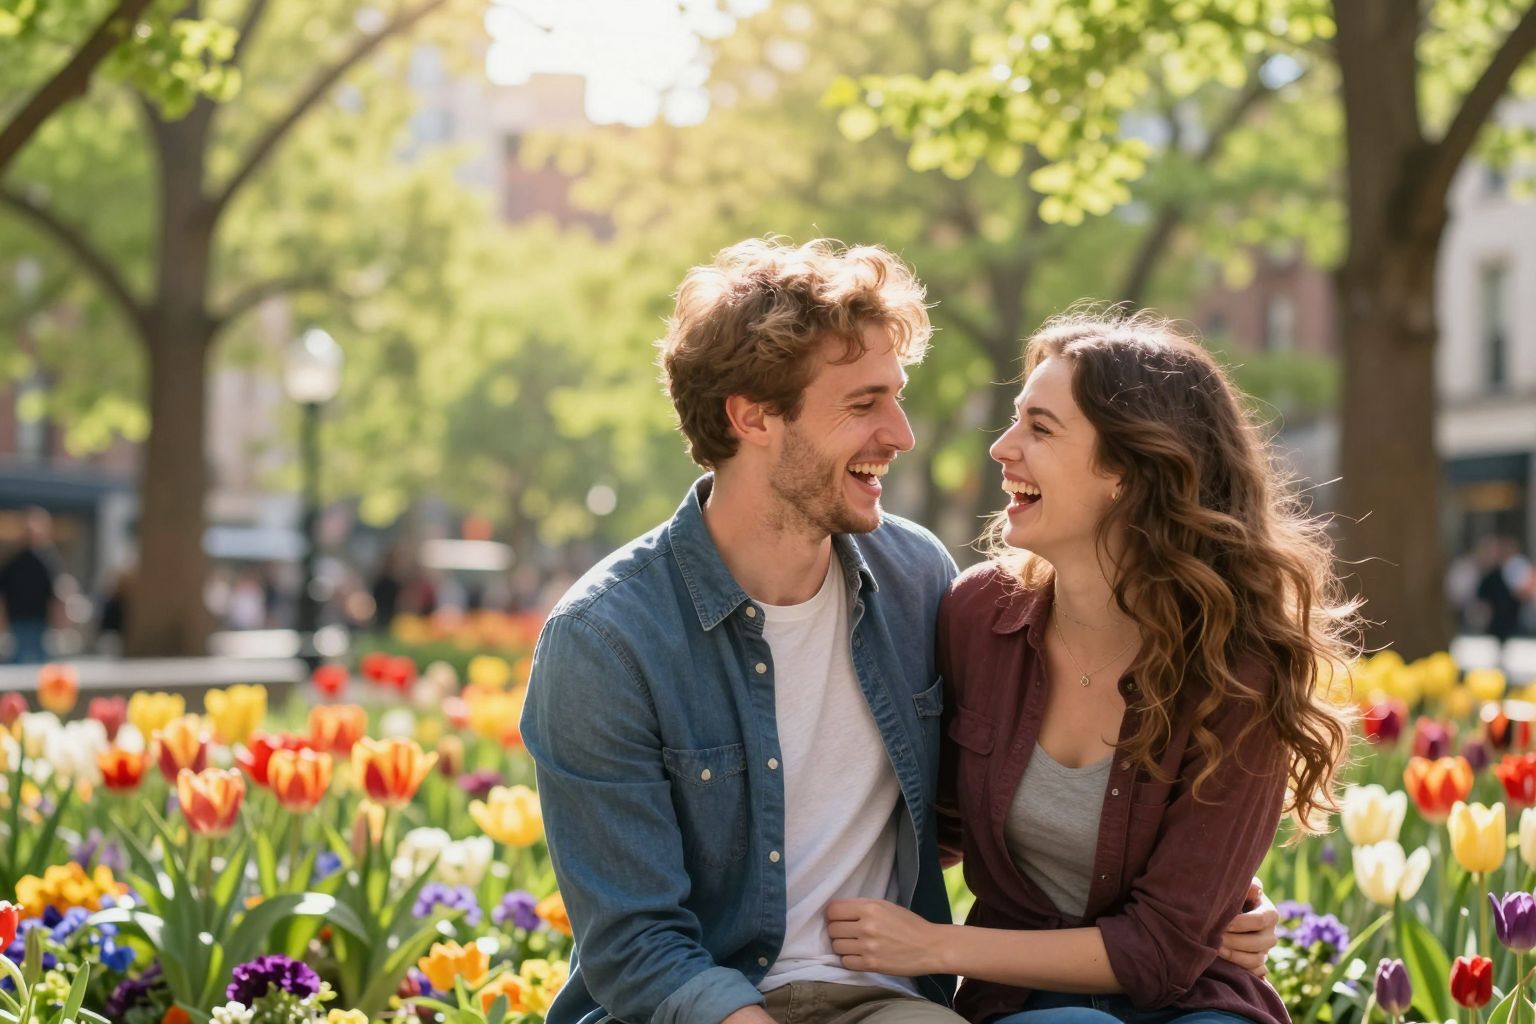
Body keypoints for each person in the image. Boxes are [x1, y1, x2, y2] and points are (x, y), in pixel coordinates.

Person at [523, 246, 1277, 1024]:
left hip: (880, 999)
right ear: (751, 417)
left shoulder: (917, 580)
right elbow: (637, 946)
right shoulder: (605, 640)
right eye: (863, 404)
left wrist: (1211, 893)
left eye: (898, 397)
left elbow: (966, 808)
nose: (903, 434)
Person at [823, 311, 1357, 1024]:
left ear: (1130, 473)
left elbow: (1164, 949)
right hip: (1023, 1002)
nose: (1003, 448)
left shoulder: (1241, 668)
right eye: (1016, 421)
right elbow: (926, 825)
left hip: (1191, 997)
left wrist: (936, 946)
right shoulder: (977, 619)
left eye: (1040, 430)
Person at [0, 507, 63, 664]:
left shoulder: (43, 562)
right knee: (31, 658)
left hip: (35, 618)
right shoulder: (42, 561)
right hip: (23, 618)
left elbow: (53, 594)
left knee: (27, 657)